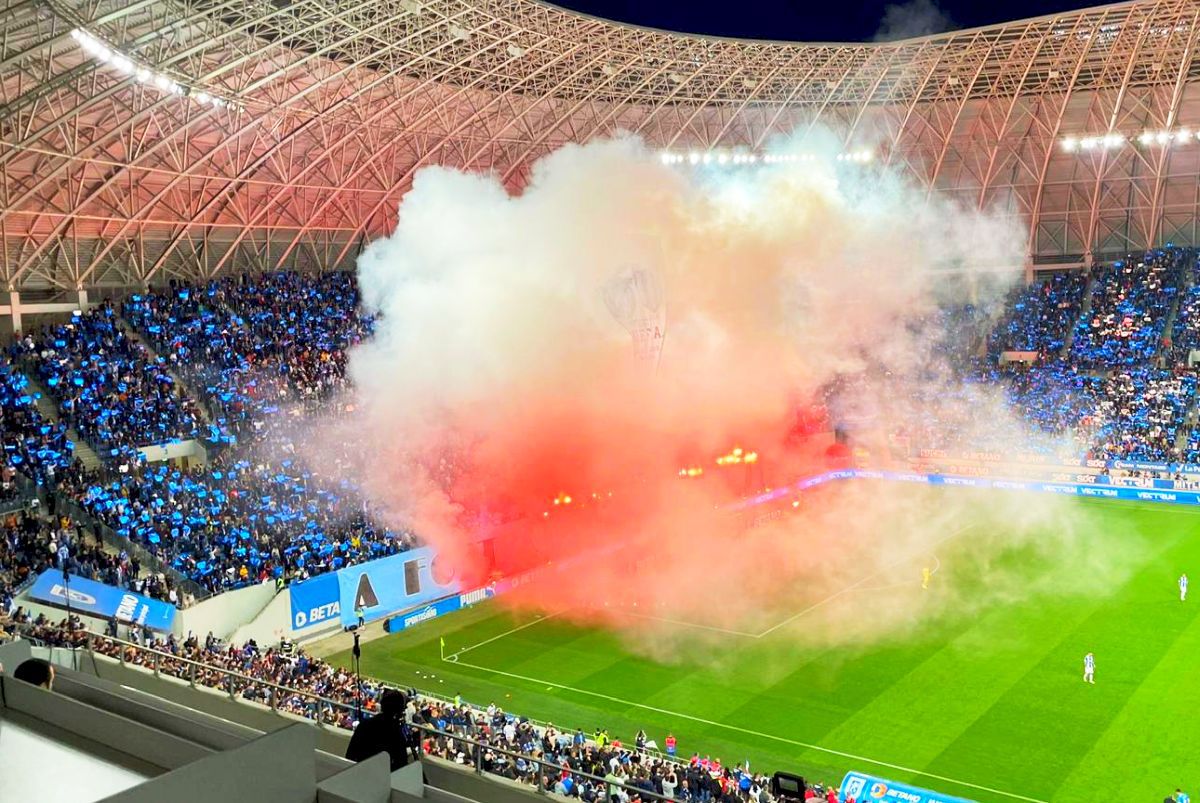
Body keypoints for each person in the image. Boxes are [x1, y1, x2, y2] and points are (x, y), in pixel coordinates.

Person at [345, 689, 410, 770]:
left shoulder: (364, 725)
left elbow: (349, 755)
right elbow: (401, 765)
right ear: (400, 711)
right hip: (381, 778)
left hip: (360, 774)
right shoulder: (397, 735)